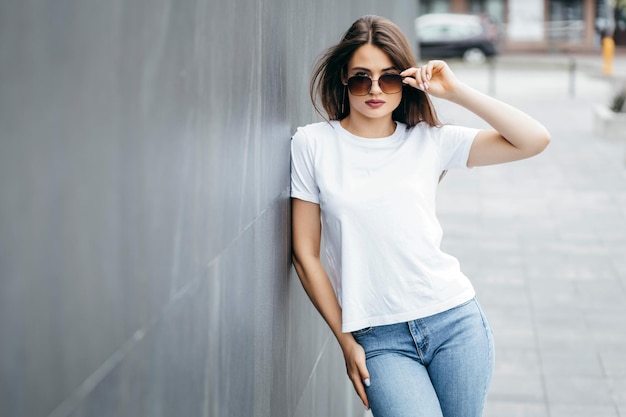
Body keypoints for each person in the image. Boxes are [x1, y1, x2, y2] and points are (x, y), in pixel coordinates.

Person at [290, 15, 550, 417]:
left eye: (389, 78)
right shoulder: (313, 144)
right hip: (379, 337)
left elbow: (534, 139)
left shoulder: (429, 140)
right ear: (343, 78)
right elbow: (304, 255)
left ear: (406, 80)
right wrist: (345, 340)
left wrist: (456, 91)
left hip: (455, 322)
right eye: (361, 77)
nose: (375, 89)